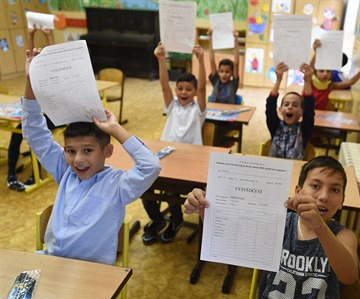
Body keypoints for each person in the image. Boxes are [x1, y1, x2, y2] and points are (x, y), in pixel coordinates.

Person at [22, 48, 161, 264]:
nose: (77, 159)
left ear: (107, 151)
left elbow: (151, 167)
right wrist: (32, 80)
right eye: (70, 151)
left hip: (90, 273)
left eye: (88, 150)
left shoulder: (117, 186)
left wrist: (116, 130)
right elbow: (35, 133)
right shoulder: (65, 171)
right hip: (51, 262)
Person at [184, 156, 359, 299]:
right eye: (315, 186)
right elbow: (232, 237)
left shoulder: (343, 235)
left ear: (342, 200)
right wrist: (204, 209)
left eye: (334, 190)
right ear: (298, 191)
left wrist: (320, 227)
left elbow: (349, 276)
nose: (324, 196)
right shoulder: (279, 222)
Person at [141, 41, 206, 245]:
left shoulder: (199, 110)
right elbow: (163, 84)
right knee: (145, 187)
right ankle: (157, 219)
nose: (184, 92)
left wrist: (201, 60)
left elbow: (204, 87)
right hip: (166, 157)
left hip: (190, 161)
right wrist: (161, 60)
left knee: (171, 191)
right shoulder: (172, 106)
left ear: (195, 92)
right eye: (180, 88)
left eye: (189, 89)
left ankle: (176, 220)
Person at [7, 27, 56, 191]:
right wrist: (30, 35)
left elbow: (53, 54)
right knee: (16, 135)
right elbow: (30, 54)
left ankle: (35, 175)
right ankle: (11, 175)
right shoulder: (34, 75)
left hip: (52, 117)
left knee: (40, 138)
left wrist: (49, 36)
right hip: (36, 113)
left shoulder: (53, 75)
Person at [266, 62, 315, 160]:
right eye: (286, 104)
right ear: (280, 110)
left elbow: (309, 108)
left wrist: (307, 81)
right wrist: (278, 80)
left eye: (295, 105)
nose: (290, 107)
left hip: (294, 171)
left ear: (302, 111)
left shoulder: (304, 129)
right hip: (274, 170)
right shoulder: (274, 125)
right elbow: (270, 106)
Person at [310, 39, 360, 110]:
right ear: (315, 72)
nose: (325, 74)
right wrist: (316, 52)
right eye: (321, 71)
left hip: (320, 114)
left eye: (328, 71)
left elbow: (351, 82)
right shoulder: (310, 82)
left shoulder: (330, 86)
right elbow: (310, 68)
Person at [207, 29, 240, 104]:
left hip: (228, 113)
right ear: (218, 72)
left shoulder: (233, 84)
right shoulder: (216, 80)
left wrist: (236, 40)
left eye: (227, 72)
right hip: (214, 112)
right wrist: (210, 38)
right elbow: (212, 60)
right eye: (221, 71)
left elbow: (236, 63)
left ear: (232, 73)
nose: (224, 74)